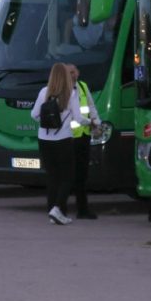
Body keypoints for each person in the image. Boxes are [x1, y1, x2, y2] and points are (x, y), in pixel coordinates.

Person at [31, 63, 91, 225]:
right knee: (67, 176)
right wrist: (90, 122)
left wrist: (47, 121)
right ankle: (57, 208)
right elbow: (79, 118)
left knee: (52, 177)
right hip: (63, 140)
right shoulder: (71, 94)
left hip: (44, 140)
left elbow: (34, 115)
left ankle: (53, 211)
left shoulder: (43, 92)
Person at [67, 64, 101, 219]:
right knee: (70, 175)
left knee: (82, 174)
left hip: (83, 136)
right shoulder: (63, 88)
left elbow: (91, 107)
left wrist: (97, 123)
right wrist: (92, 123)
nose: (72, 74)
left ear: (78, 73)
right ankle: (61, 207)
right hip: (69, 138)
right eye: (69, 72)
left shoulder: (82, 86)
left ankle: (82, 209)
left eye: (74, 71)